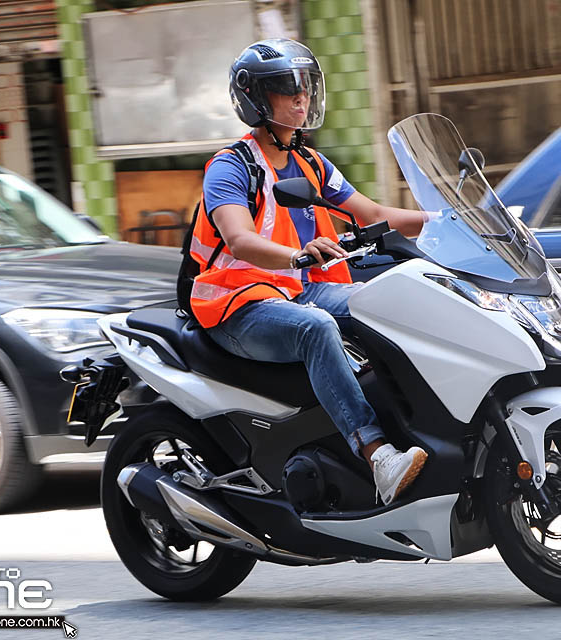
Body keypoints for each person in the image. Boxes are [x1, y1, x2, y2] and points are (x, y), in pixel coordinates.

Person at [187, 38, 428, 506]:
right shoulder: (230, 168)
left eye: (304, 87)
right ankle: (378, 456)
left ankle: (422, 425)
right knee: (316, 329)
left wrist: (455, 219)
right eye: (284, 88)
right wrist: (297, 256)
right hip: (238, 306)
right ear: (256, 99)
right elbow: (240, 240)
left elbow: (372, 212)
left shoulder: (310, 162)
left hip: (296, 292)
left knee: (393, 302)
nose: (300, 98)